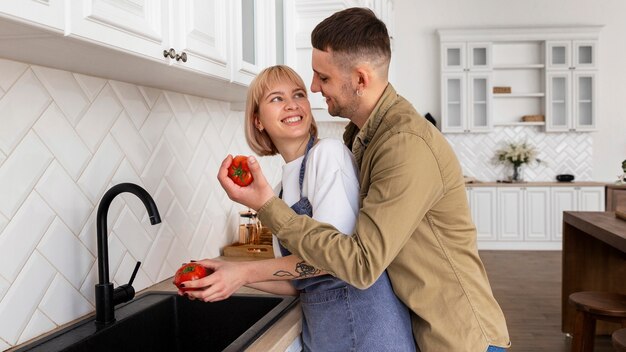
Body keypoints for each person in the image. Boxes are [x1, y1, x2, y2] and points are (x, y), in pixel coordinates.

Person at [216, 8, 511, 352]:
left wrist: (266, 208)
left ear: (360, 78)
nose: (313, 88)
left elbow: (360, 264)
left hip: (458, 338)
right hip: (420, 330)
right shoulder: (361, 138)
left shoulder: (403, 144)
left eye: (321, 78)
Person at [183, 65, 416, 351]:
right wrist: (226, 272)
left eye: (298, 94)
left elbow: (333, 259)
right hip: (328, 334)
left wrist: (243, 273)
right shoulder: (280, 189)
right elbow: (298, 280)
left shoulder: (328, 155)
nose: (292, 104)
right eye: (276, 98)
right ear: (258, 121)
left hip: (369, 334)